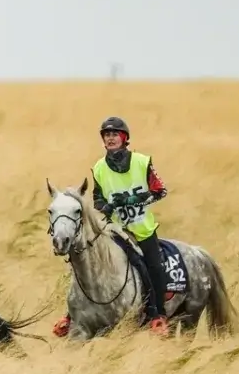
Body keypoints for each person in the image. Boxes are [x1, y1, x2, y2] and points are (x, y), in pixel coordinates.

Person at [53, 116, 173, 337]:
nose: (110, 138)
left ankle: (157, 316)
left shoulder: (141, 162)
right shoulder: (99, 167)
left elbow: (160, 191)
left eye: (114, 134)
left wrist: (132, 201)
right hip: (115, 230)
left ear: (124, 138)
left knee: (152, 266)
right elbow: (97, 198)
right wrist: (106, 206)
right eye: (106, 135)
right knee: (87, 261)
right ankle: (72, 314)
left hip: (142, 229)